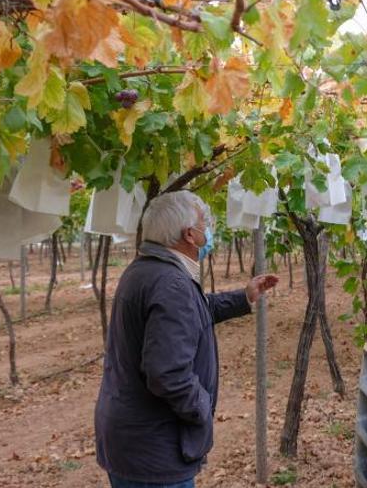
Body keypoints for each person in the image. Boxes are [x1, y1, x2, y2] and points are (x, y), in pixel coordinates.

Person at [94, 190, 278, 488]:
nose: (209, 230)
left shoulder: (146, 271)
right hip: (155, 448)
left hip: (132, 441)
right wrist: (202, 407)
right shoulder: (171, 283)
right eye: (205, 223)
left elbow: (194, 310)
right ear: (190, 235)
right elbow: (168, 374)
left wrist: (244, 297)